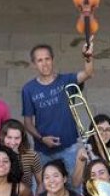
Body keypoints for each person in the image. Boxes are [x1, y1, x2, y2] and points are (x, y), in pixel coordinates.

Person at [22, 42, 95, 173]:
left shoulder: (66, 80)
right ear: (34, 64)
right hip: (43, 151)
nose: (44, 63)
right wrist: (41, 139)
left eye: (47, 59)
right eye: (39, 60)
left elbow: (88, 73)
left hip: (70, 148)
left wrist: (88, 56)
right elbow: (27, 123)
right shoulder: (28, 89)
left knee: (74, 186)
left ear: (52, 60)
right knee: (44, 189)